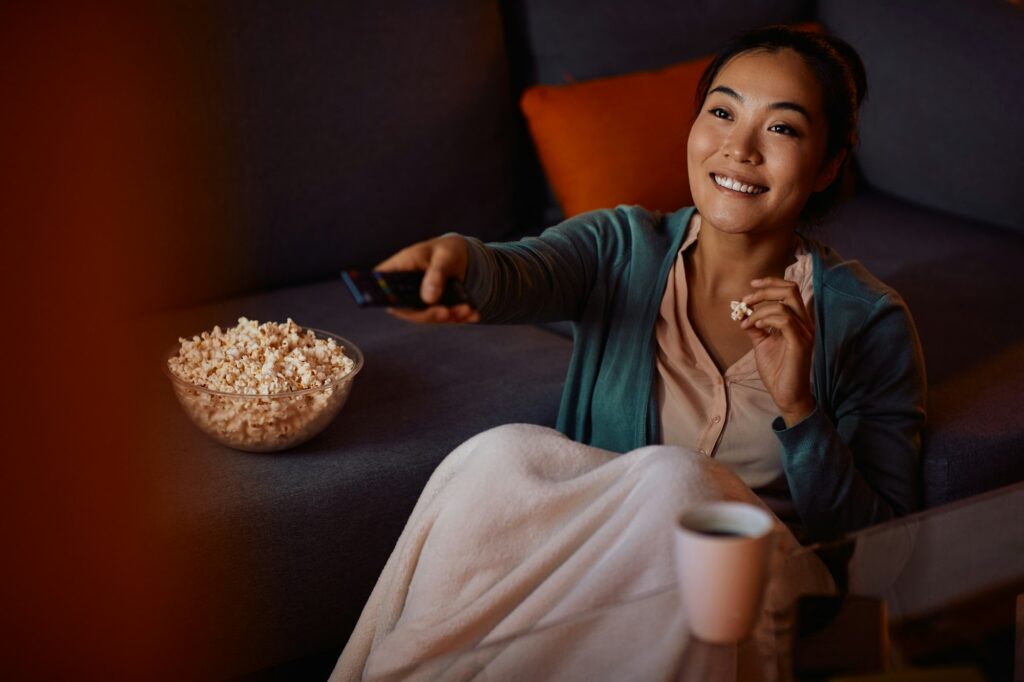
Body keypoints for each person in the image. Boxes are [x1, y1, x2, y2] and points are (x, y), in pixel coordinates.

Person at [332, 25, 926, 681]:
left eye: (782, 129)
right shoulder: (619, 247)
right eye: (722, 112)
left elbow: (887, 550)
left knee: (677, 483)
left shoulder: (868, 322)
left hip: (765, 597)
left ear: (829, 165)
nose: (740, 147)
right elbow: (521, 271)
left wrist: (801, 410)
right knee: (500, 454)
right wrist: (457, 264)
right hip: (609, 575)